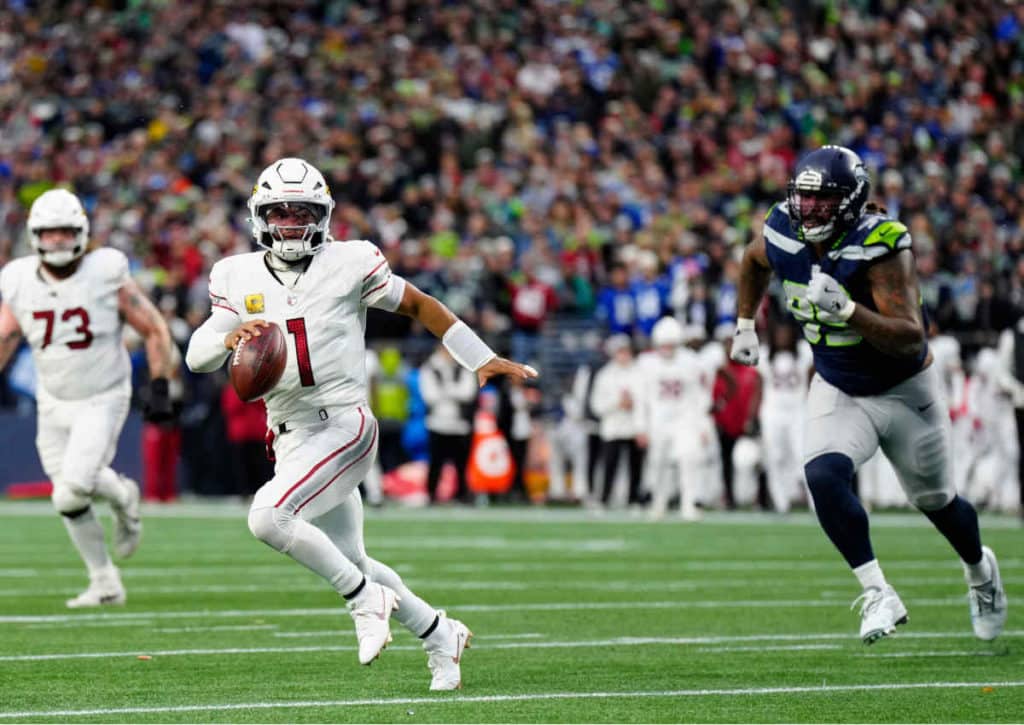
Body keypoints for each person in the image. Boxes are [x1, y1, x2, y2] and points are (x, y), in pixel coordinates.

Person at [184, 158, 536, 690]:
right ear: (259, 217)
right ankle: (440, 633)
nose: (290, 223)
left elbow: (418, 305)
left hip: (345, 424)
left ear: (322, 216)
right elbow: (195, 357)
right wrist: (228, 337)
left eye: (301, 212)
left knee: (267, 517)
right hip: (290, 433)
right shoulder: (236, 274)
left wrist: (477, 355)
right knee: (353, 557)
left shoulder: (351, 261)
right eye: (278, 212)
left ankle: (363, 601)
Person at [732, 144, 1007, 644]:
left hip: (905, 390)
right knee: (822, 474)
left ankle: (979, 571)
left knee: (937, 501)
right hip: (839, 383)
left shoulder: (881, 244)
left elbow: (909, 336)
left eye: (823, 200)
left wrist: (848, 312)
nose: (808, 209)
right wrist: (745, 323)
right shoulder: (782, 228)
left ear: (852, 200)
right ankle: (878, 591)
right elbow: (753, 260)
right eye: (804, 197)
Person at [0, 188, 176, 607]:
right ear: (36, 235)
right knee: (66, 496)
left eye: (65, 232)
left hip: (102, 394)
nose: (58, 241)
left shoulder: (106, 270)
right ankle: (105, 580)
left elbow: (153, 328)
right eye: (50, 232)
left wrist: (160, 387)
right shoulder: (18, 277)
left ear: (80, 232)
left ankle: (121, 498)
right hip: (52, 397)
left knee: (75, 485)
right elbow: (7, 332)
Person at [638, 316, 716, 521]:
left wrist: (703, 426)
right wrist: (641, 427)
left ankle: (688, 503)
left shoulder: (690, 361)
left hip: (685, 418)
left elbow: (700, 396)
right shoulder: (647, 363)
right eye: (663, 345)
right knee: (657, 463)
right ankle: (658, 503)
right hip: (658, 420)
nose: (667, 349)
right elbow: (641, 397)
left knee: (688, 459)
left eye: (671, 345)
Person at [419, 344, 479, 504]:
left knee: (461, 464)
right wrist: (453, 391)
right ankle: (431, 495)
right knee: (436, 463)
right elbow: (429, 396)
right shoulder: (430, 367)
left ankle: (462, 495)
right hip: (437, 423)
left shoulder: (463, 368)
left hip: (460, 424)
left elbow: (468, 393)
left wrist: (446, 390)